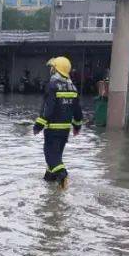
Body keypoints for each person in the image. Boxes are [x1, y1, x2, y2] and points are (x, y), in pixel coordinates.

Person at [33, 56, 83, 188]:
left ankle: (63, 174)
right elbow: (77, 110)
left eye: (52, 67)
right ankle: (50, 184)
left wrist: (38, 125)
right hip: (64, 132)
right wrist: (77, 126)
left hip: (53, 130)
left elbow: (47, 109)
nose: (51, 70)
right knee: (56, 157)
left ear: (56, 70)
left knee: (50, 156)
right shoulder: (72, 87)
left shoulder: (52, 86)